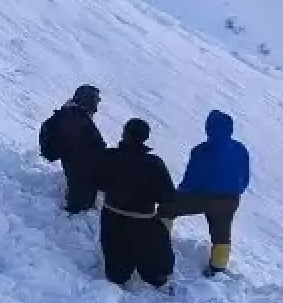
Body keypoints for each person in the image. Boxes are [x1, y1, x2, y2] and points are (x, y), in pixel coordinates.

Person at [161, 110, 250, 276]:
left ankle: (159, 242)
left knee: (167, 209)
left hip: (203, 197)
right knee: (222, 233)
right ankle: (217, 267)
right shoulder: (240, 149)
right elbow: (245, 177)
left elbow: (191, 180)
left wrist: (178, 194)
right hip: (230, 199)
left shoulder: (201, 151)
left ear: (209, 128)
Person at [96, 118, 176, 289]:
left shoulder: (110, 156)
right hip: (142, 223)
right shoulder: (154, 164)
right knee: (156, 270)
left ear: (125, 134)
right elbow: (168, 197)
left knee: (116, 274)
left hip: (112, 220)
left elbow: (96, 181)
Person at [39, 85, 107, 214]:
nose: (97, 105)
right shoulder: (75, 119)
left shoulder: (72, 115)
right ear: (87, 100)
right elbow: (82, 151)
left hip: (80, 173)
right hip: (82, 176)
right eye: (95, 100)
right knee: (81, 208)